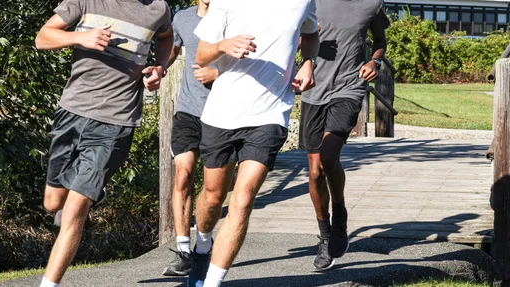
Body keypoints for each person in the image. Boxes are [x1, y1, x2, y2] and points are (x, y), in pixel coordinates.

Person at [34, 0, 172, 286]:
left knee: (74, 209)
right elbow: (42, 37)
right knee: (53, 203)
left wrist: (159, 67)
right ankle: (95, 192)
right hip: (72, 112)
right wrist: (79, 37)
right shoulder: (86, 0)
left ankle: (49, 283)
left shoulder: (158, 8)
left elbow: (166, 36)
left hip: (116, 121)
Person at [187, 0, 319, 286]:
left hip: (271, 113)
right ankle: (202, 245)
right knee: (212, 196)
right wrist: (224, 45)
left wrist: (309, 63)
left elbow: (310, 33)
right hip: (222, 113)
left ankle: (213, 281)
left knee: (244, 198)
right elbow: (201, 54)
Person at [299, 0, 390, 271]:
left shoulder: (372, 4)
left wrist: (375, 60)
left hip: (349, 88)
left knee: (328, 157)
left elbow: (380, 41)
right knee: (314, 173)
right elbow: (294, 34)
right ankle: (325, 234)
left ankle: (339, 212)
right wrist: (304, 59)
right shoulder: (312, 2)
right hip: (313, 91)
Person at [161, 0, 219, 277]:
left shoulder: (231, 16)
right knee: (182, 176)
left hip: (222, 114)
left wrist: (217, 73)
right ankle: (184, 250)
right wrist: (158, 68)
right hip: (187, 111)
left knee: (212, 189)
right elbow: (170, 49)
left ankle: (204, 245)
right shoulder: (182, 18)